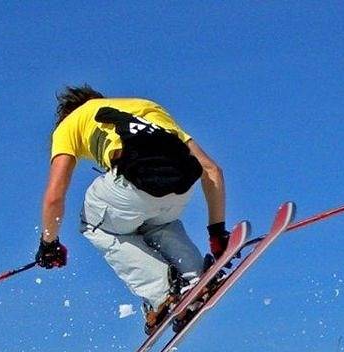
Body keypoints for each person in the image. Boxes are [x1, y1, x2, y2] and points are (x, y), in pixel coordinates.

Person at [35, 85, 229, 334]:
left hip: (134, 177)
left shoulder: (71, 122)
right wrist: (217, 232)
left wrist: (49, 243)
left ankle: (162, 293)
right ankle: (194, 276)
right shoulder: (146, 106)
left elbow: (54, 197)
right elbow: (212, 170)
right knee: (155, 222)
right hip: (182, 181)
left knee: (92, 221)